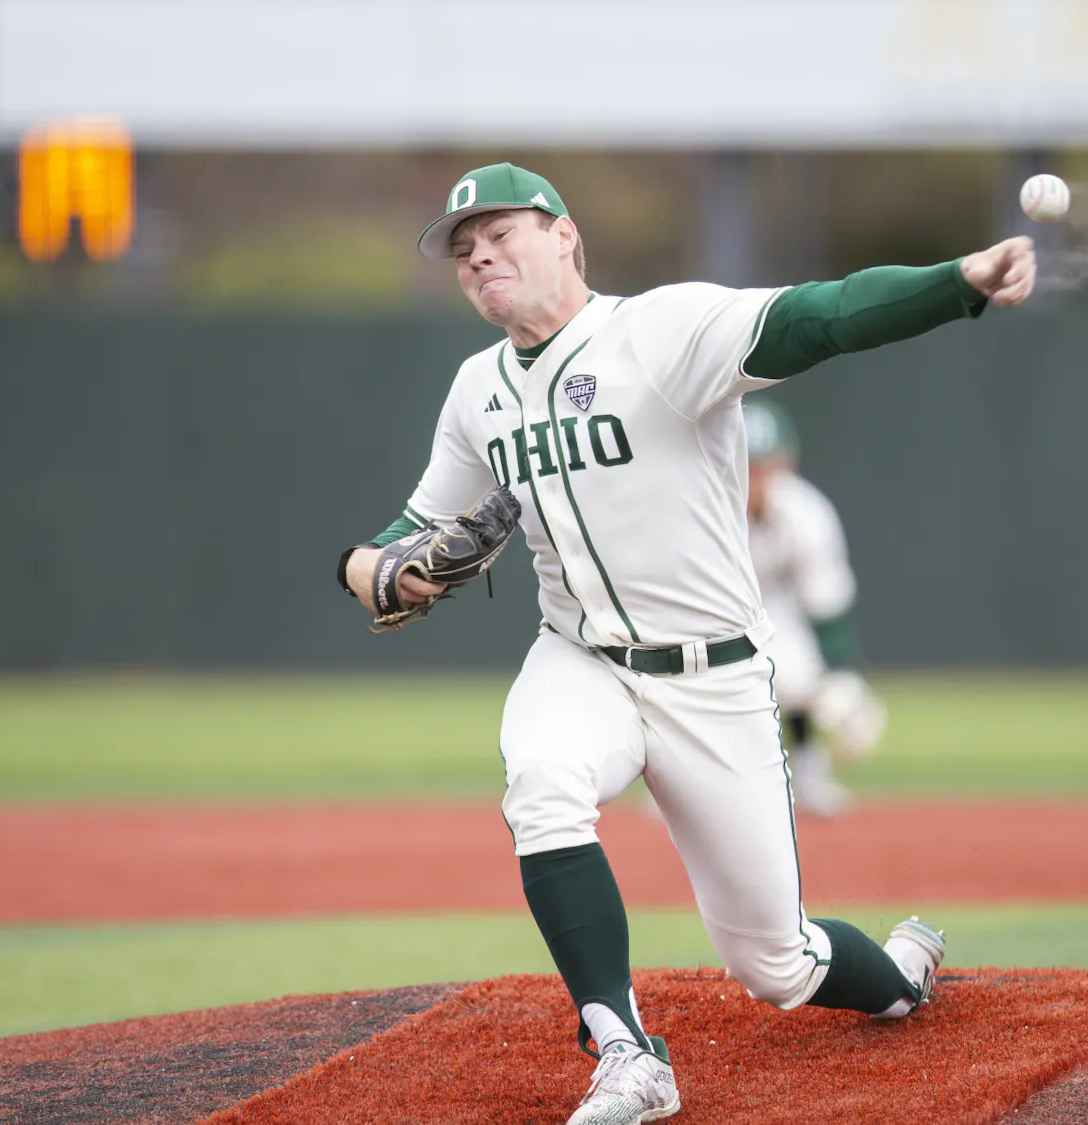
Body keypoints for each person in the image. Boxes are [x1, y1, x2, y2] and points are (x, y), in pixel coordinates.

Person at [338, 163, 1035, 1125]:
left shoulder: (658, 333)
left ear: (566, 235)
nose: (480, 256)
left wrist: (957, 281)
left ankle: (900, 976)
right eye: (463, 249)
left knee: (776, 964)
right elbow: (406, 530)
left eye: (500, 233)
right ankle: (626, 1052)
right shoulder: (477, 391)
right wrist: (372, 571)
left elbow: (819, 315)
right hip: (578, 656)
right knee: (542, 782)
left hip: (714, 677)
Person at [743, 396, 886, 817]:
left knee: (797, 670)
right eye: (746, 465)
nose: (756, 477)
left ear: (787, 462)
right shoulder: (700, 505)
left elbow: (827, 601)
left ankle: (806, 770)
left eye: (764, 464)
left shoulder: (806, 512)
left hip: (769, 609)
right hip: (700, 614)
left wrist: (844, 677)